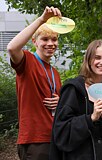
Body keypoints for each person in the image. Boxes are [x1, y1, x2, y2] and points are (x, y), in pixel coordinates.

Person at [50, 40, 102, 160]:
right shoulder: (73, 89)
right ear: (88, 60)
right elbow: (61, 131)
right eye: (97, 58)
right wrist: (91, 118)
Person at [6, 6, 62, 160]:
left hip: (54, 137)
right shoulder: (27, 61)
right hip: (34, 140)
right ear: (34, 41)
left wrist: (60, 102)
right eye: (44, 39)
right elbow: (11, 48)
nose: (50, 43)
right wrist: (42, 20)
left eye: (54, 39)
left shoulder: (55, 73)